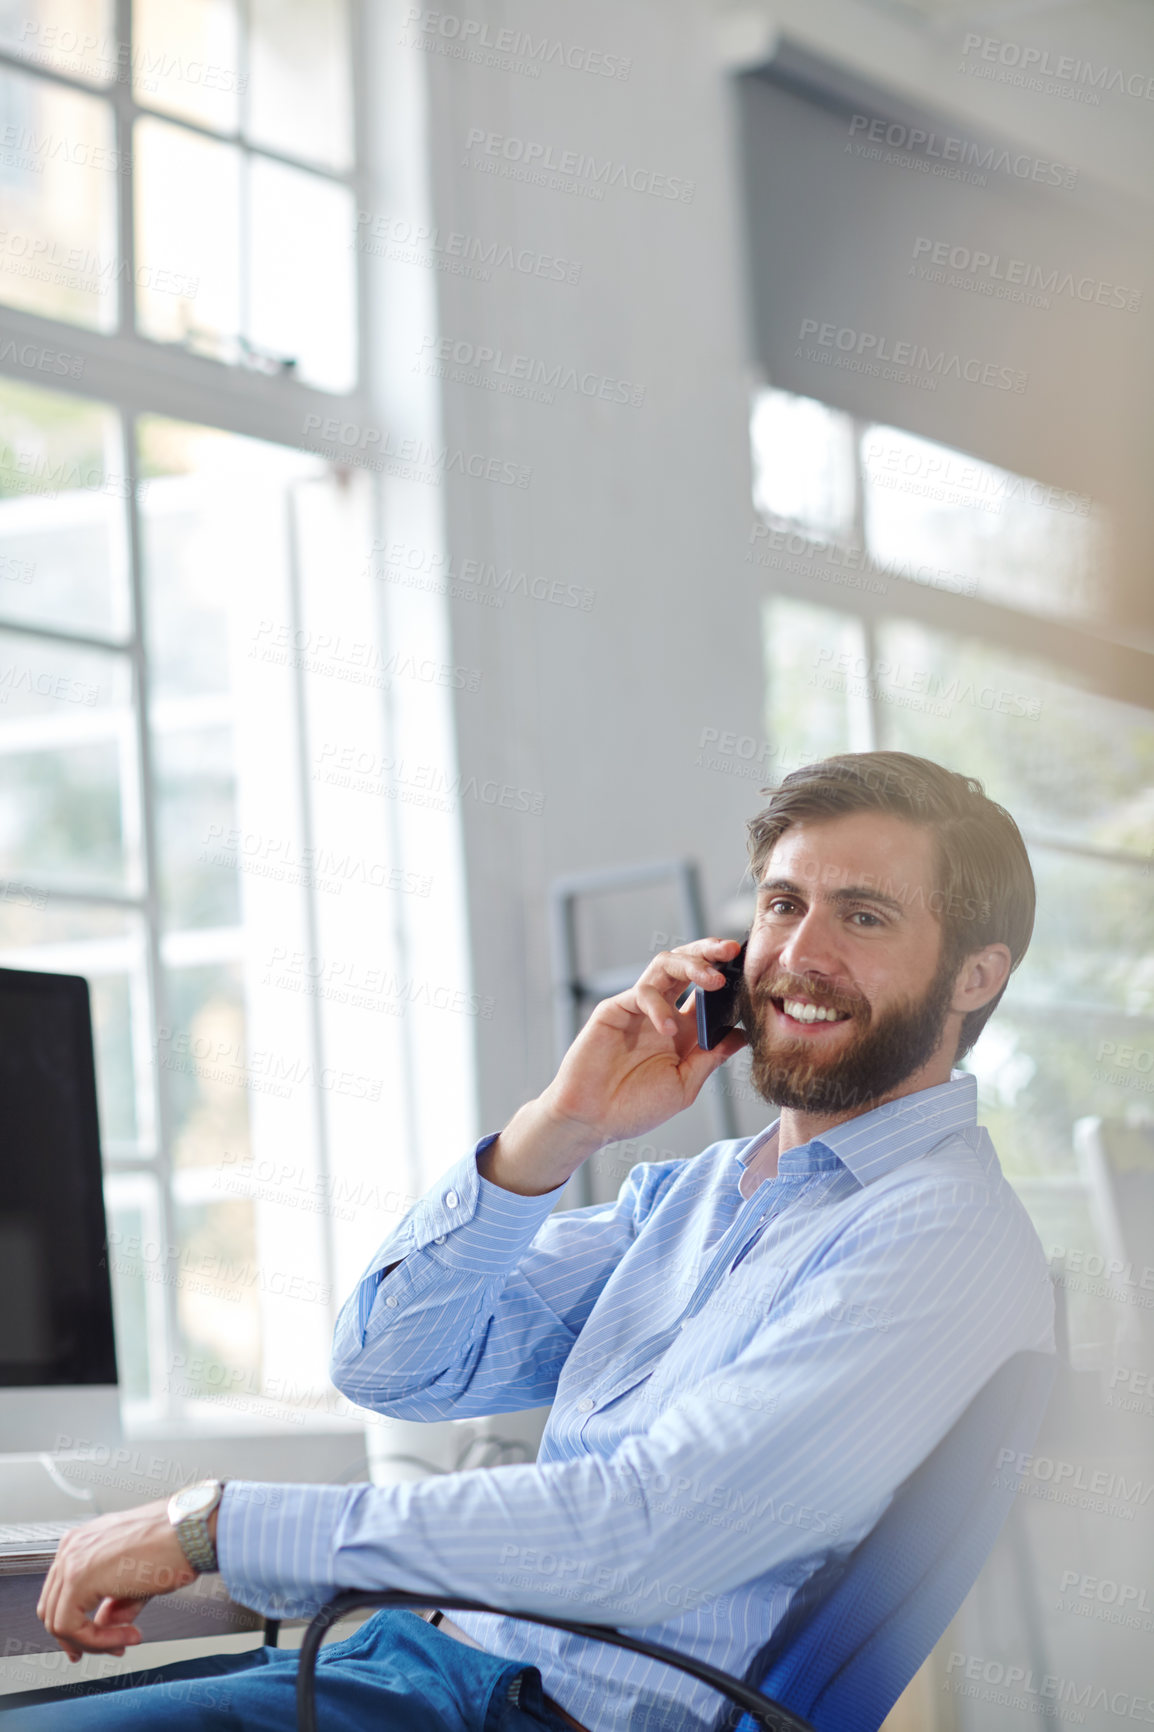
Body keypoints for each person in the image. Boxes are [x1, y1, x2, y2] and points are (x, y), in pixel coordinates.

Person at [13, 751, 1054, 1732]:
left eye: (862, 915)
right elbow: (391, 1364)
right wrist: (554, 1131)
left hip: (517, 1709)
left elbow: (646, 1532)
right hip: (419, 1666)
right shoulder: (697, 1196)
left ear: (972, 977)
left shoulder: (936, 1229)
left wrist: (216, 1525)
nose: (795, 954)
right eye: (782, 903)